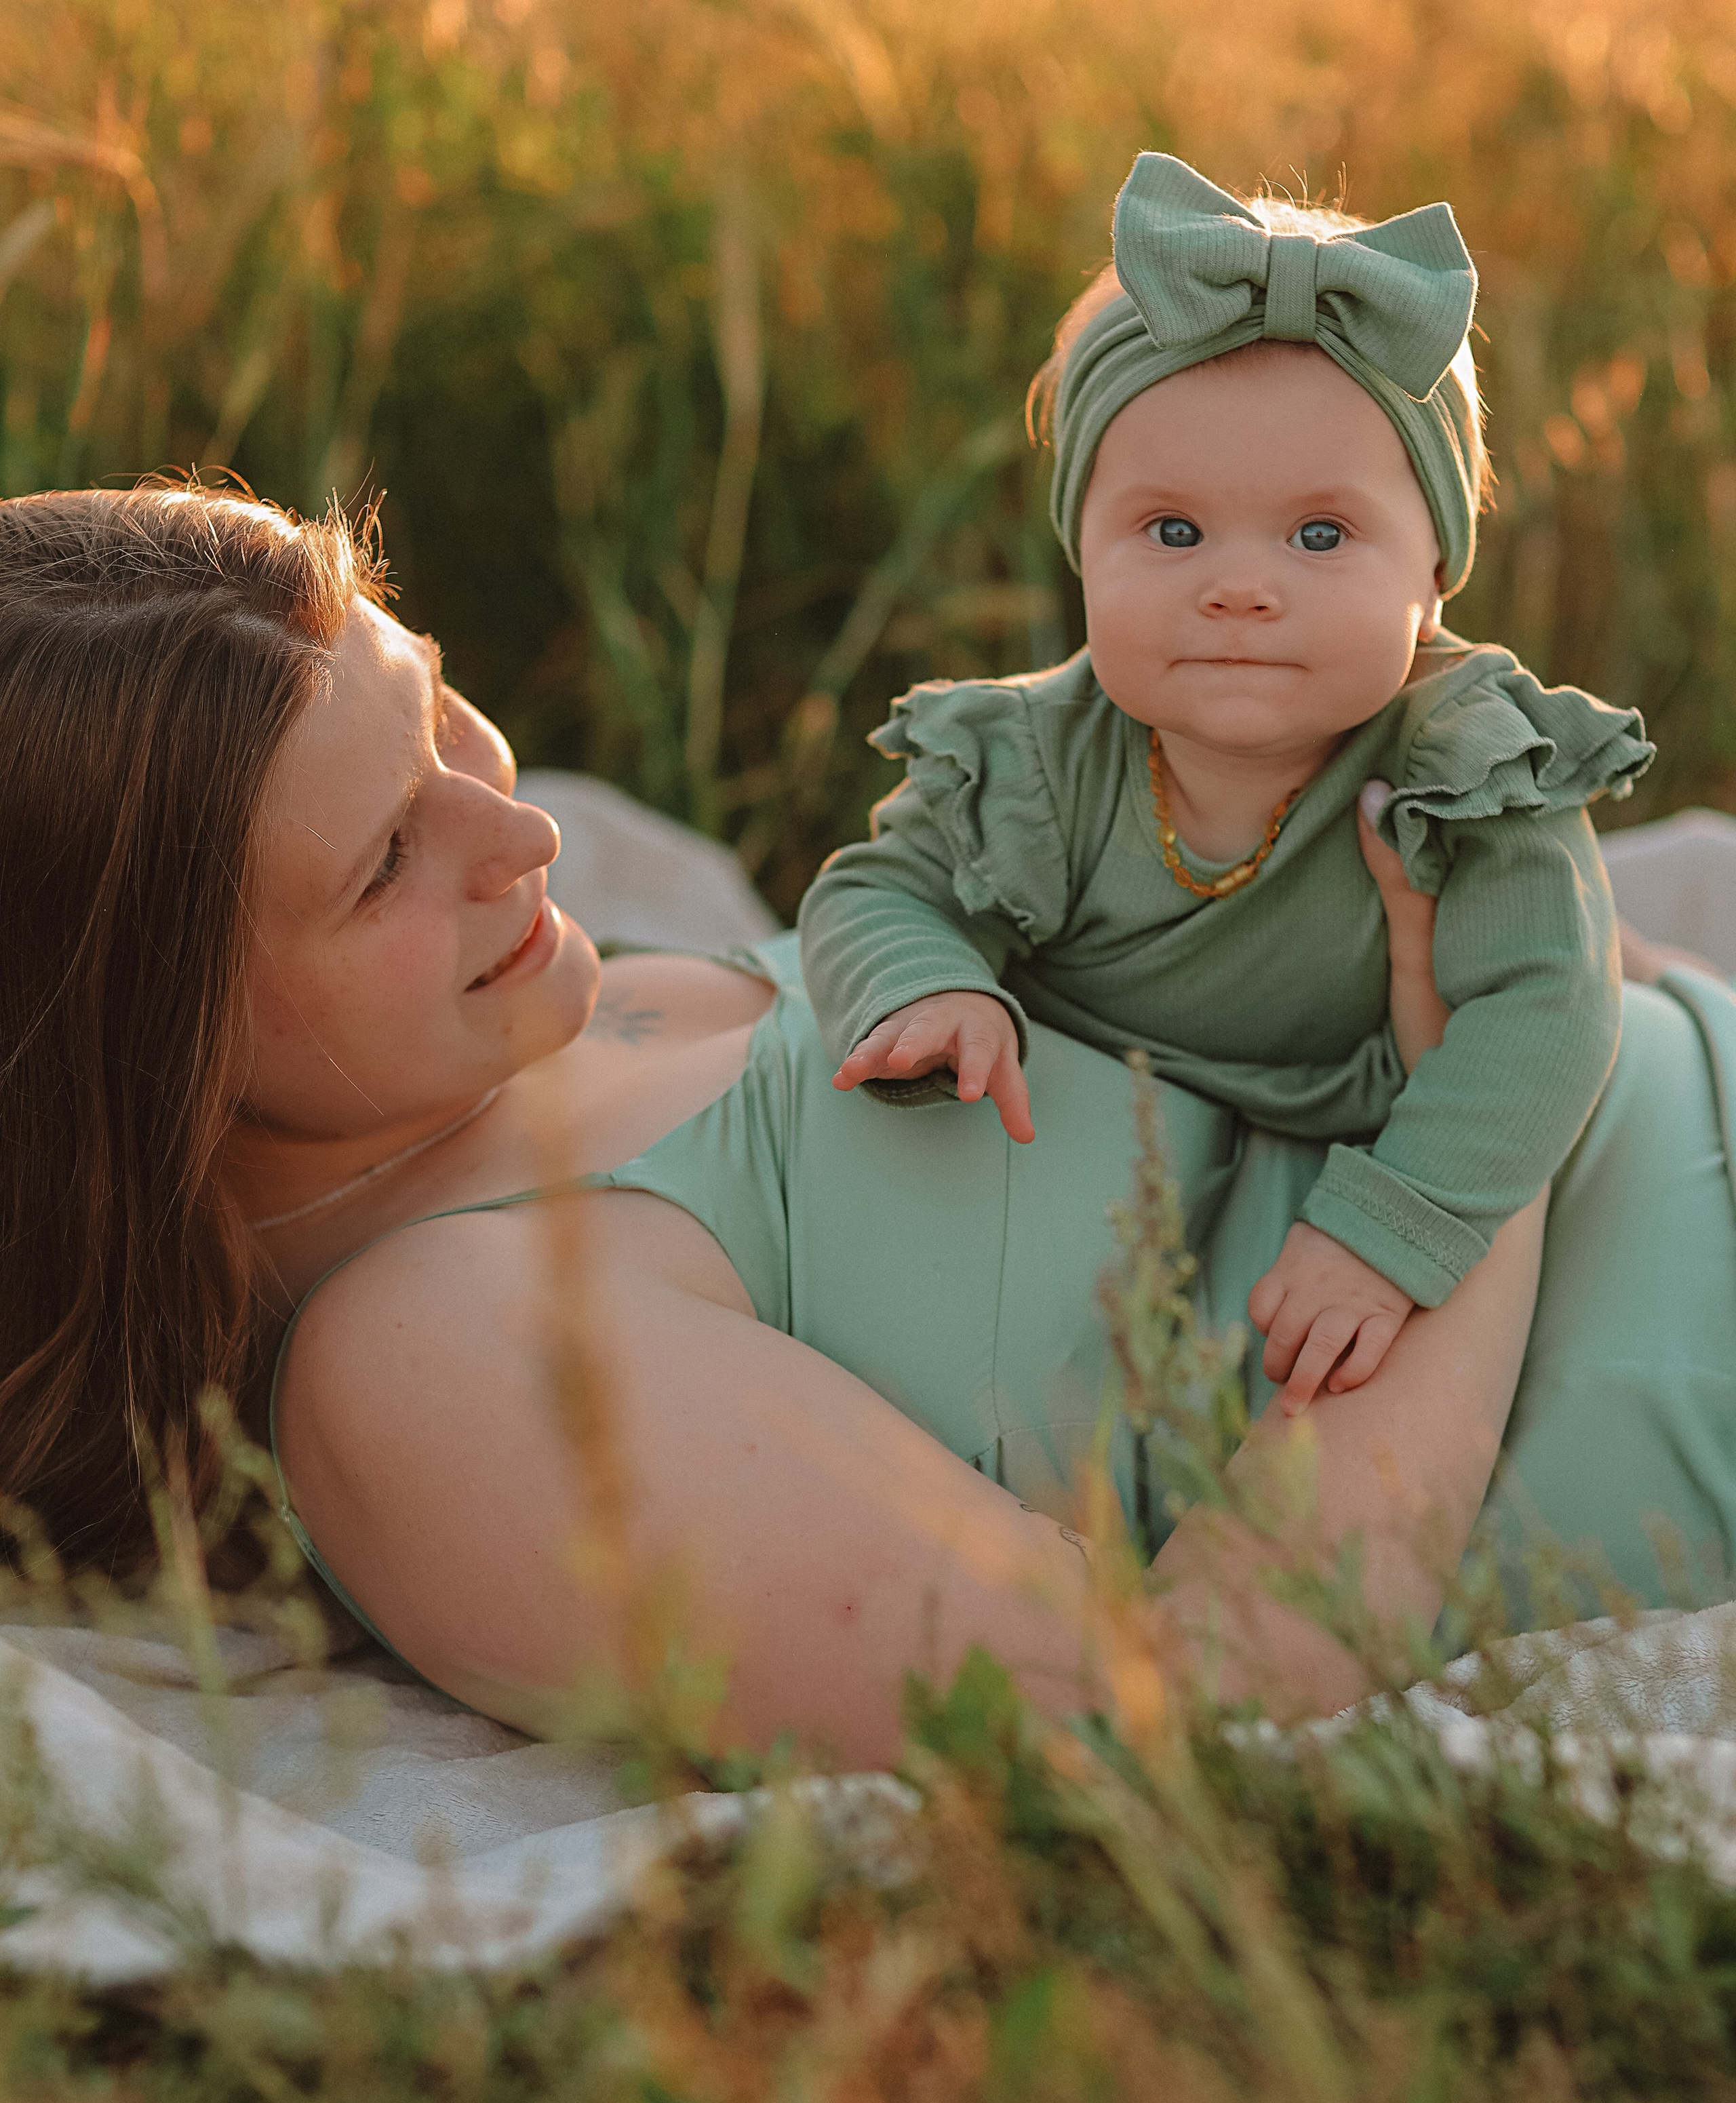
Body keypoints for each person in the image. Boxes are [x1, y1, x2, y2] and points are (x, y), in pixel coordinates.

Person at [2, 487, 1730, 1771]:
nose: (515, 834)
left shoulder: (511, 1022)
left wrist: (1551, 974)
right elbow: (1175, 1698)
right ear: (147, 1059)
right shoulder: (434, 1371)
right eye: (386, 857)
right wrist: (1482, 1142)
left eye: (437, 701)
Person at [800, 154, 1653, 1418]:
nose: (1239, 586)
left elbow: (1549, 1012)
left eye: (1321, 536)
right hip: (1115, 1155)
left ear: (1437, 574)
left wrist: (1389, 1226)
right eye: (1172, 531)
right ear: (1080, 548)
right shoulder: (1043, 755)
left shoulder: (1463, 760)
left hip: (1393, 1129)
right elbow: (877, 886)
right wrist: (929, 982)